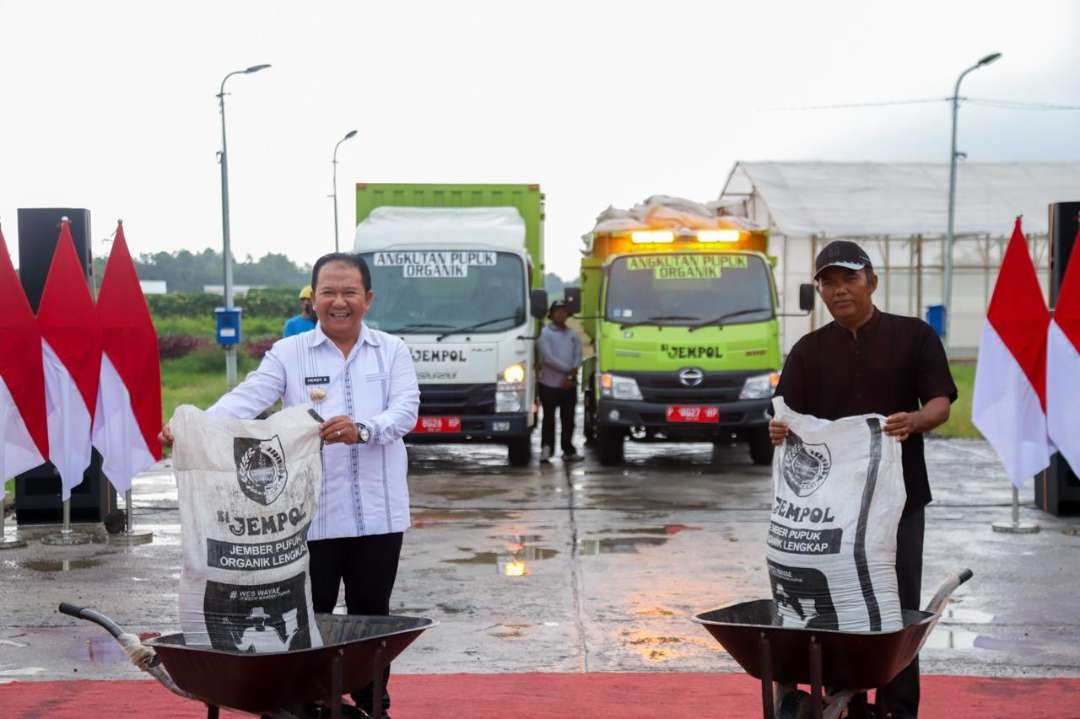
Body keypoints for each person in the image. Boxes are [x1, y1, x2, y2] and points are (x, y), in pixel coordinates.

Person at [161, 253, 419, 718]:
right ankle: (308, 705)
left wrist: (364, 428)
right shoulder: (289, 353)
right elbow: (248, 398)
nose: (339, 302)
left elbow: (405, 410)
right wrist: (193, 426)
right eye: (328, 292)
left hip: (378, 517)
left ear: (368, 299)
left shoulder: (392, 350)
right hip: (309, 520)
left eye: (349, 293)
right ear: (313, 297)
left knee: (373, 619)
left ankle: (372, 703)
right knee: (305, 620)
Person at [769, 240, 957, 719]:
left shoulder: (913, 337)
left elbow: (940, 402)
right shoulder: (809, 350)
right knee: (836, 607)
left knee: (897, 604)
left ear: (871, 281)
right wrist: (778, 429)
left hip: (900, 502)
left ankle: (897, 709)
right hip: (833, 511)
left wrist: (915, 422)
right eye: (827, 283)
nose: (838, 291)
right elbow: (786, 414)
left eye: (848, 279)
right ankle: (843, 702)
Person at [537, 299, 583, 463]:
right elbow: (548, 359)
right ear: (551, 314)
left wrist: (571, 375)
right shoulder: (545, 333)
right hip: (549, 385)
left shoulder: (573, 335)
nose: (561, 314)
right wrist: (568, 370)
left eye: (564, 311)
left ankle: (568, 450)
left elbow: (578, 356)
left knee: (568, 419)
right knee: (549, 418)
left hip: (569, 385)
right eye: (557, 311)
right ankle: (546, 449)